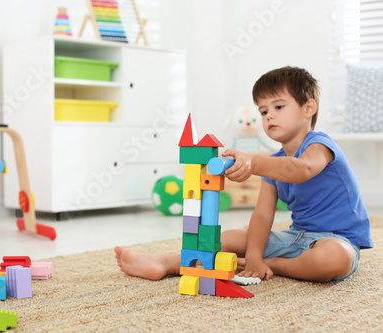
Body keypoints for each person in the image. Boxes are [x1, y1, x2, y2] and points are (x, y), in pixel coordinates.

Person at [115, 66, 373, 283]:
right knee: (227, 238)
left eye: (279, 106)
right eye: (263, 111)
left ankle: (275, 265)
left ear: (308, 108)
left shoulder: (321, 145)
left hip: (337, 241)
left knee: (333, 259)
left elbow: (301, 170)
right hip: (296, 238)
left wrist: (259, 259)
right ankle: (166, 264)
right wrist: (254, 253)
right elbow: (262, 214)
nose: (269, 115)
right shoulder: (274, 163)